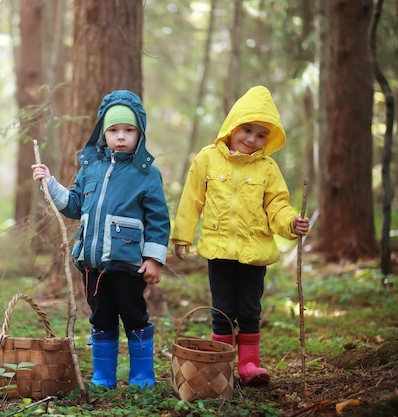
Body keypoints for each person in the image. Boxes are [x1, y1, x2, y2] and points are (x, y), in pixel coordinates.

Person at [170, 85, 310, 385]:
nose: (252, 139)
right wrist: (182, 235)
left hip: (254, 251)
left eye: (261, 135)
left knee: (249, 309)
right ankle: (219, 364)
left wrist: (291, 223)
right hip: (219, 250)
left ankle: (248, 365)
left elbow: (277, 205)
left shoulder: (267, 168)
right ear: (233, 125)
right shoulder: (207, 159)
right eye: (247, 130)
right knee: (222, 310)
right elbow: (192, 199)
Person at [32, 89, 170, 389]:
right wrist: (50, 183)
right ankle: (103, 376)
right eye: (114, 130)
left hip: (129, 263)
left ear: (139, 132)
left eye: (128, 130)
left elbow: (158, 219)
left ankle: (142, 376)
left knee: (135, 316)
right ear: (103, 133)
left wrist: (153, 259)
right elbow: (74, 205)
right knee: (101, 317)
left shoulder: (146, 173)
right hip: (93, 264)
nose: (121, 136)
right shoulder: (90, 168)